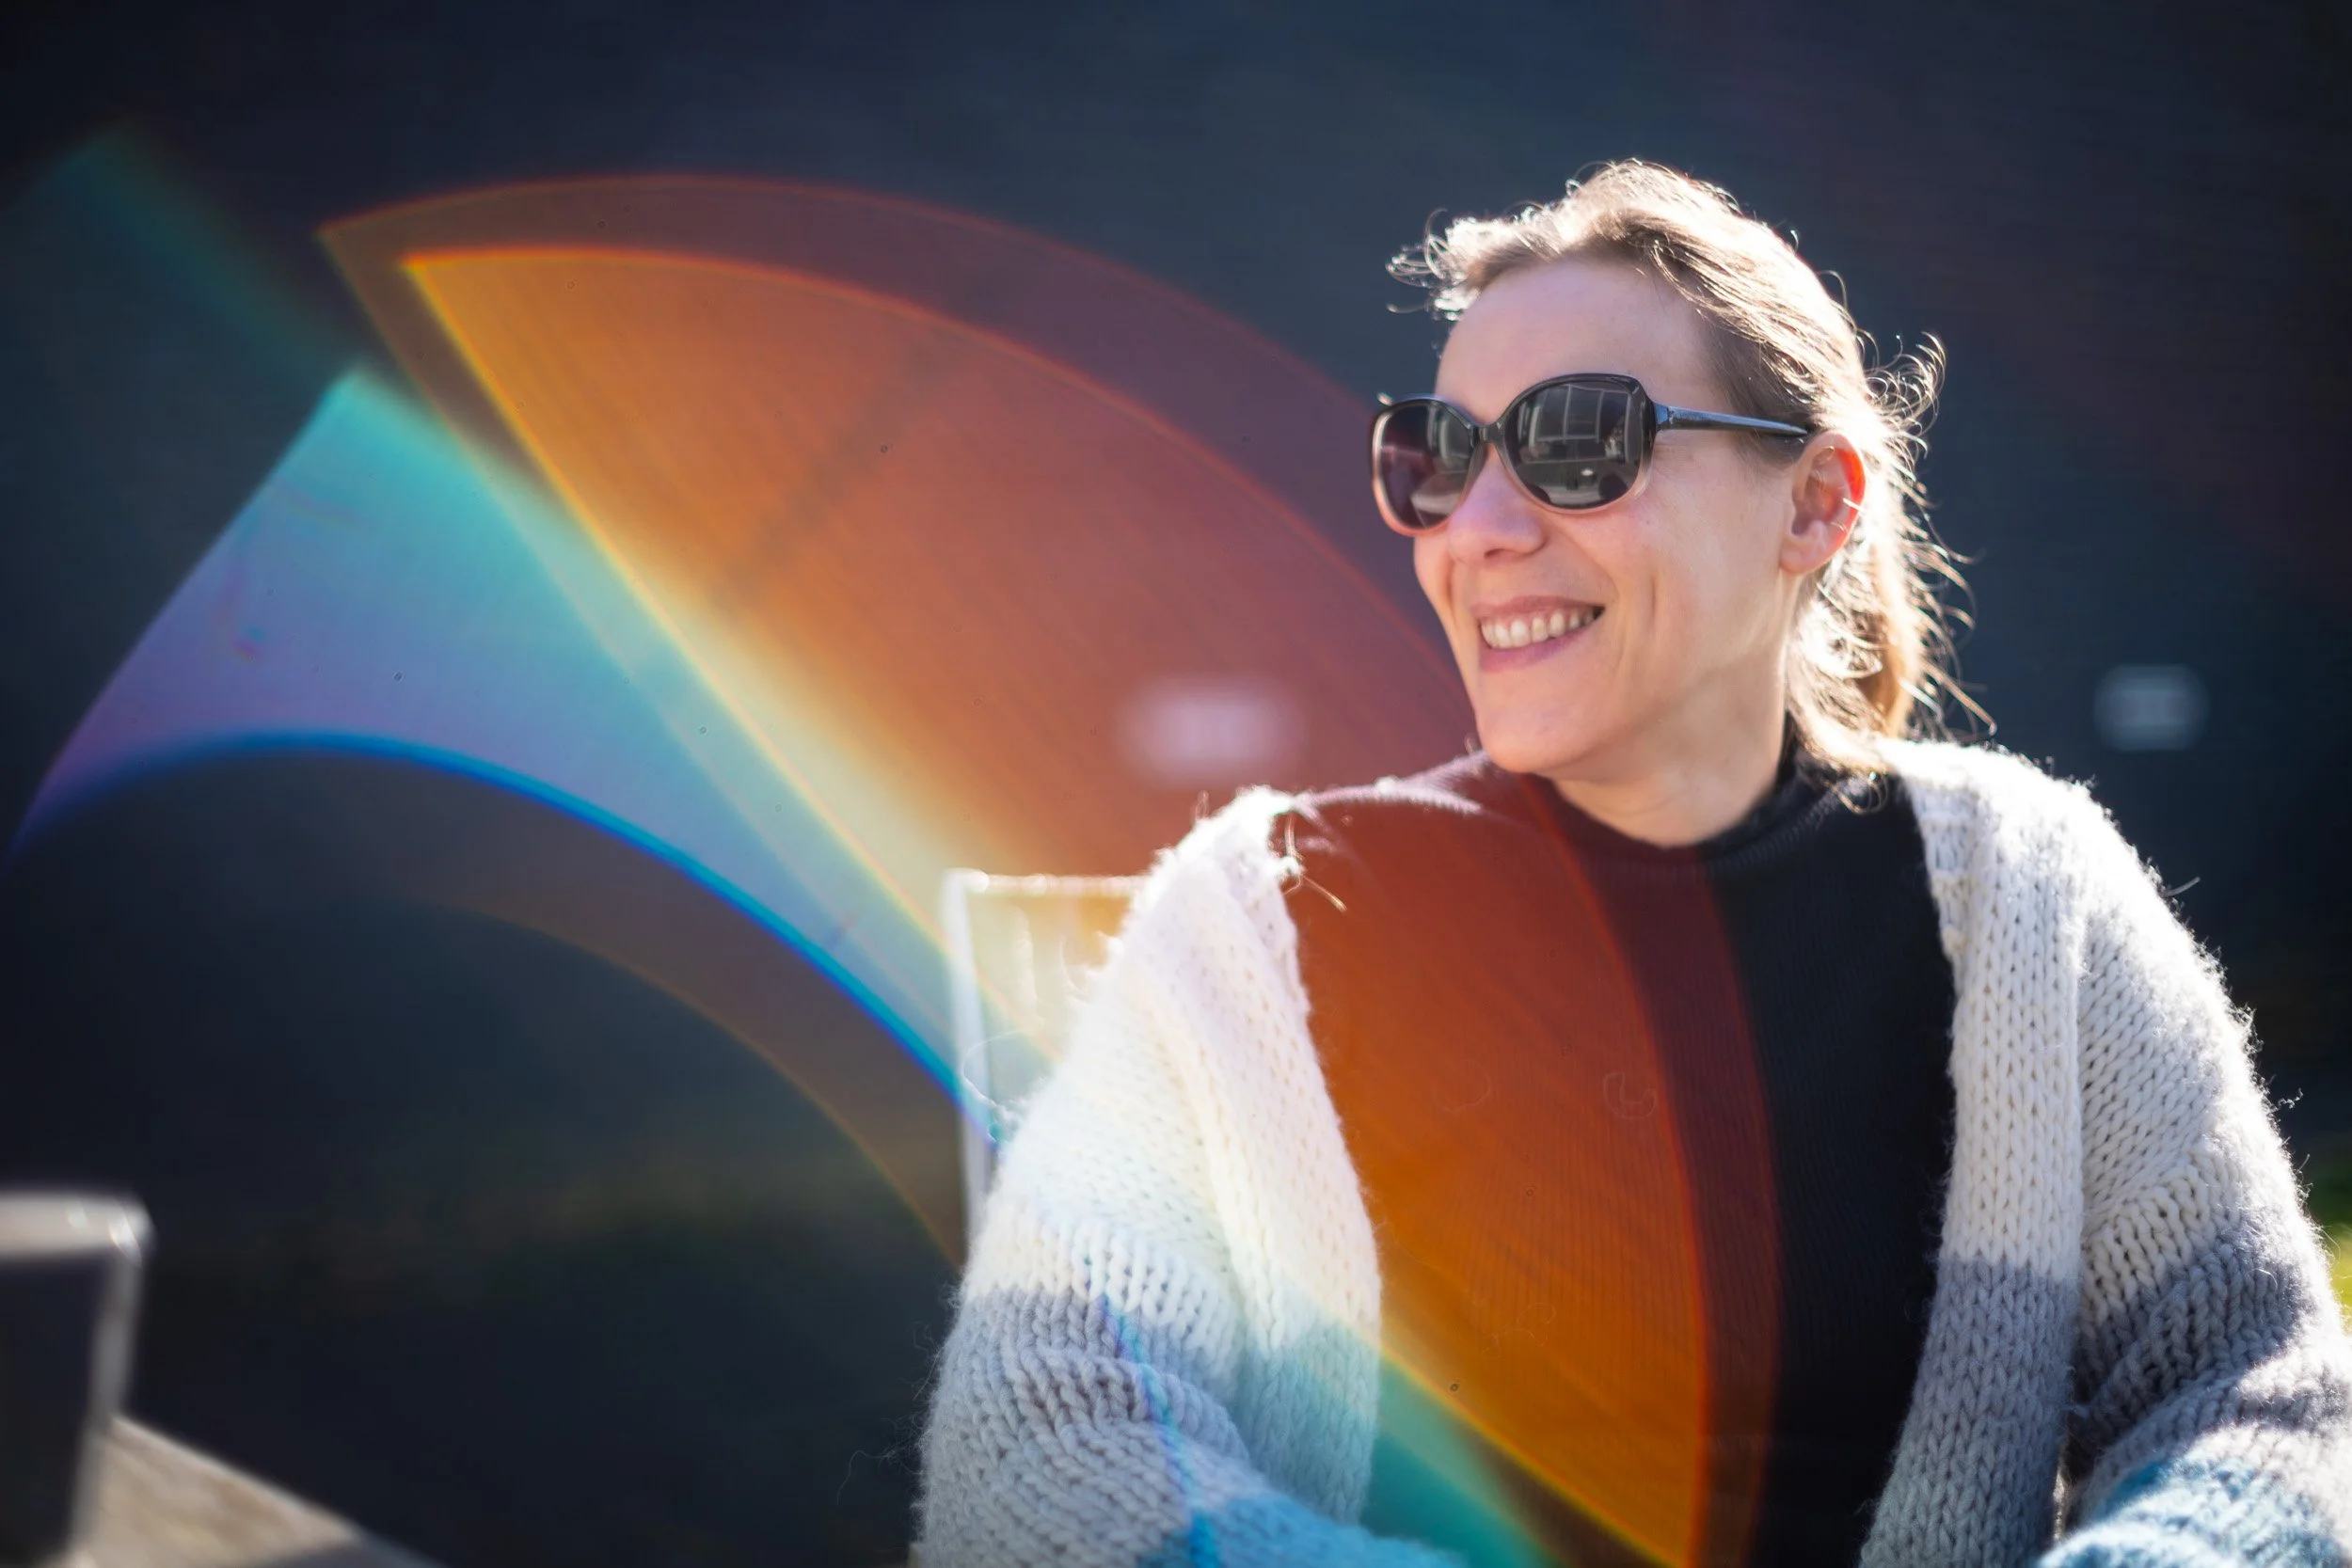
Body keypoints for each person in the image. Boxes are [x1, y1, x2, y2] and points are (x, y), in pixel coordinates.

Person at [912, 163, 2351, 1566]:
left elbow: (2261, 1408)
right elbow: (1038, 1445)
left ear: (1816, 504)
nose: (1480, 528)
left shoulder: (2036, 905)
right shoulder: (1249, 927)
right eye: (1442, 454)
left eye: (1580, 440)